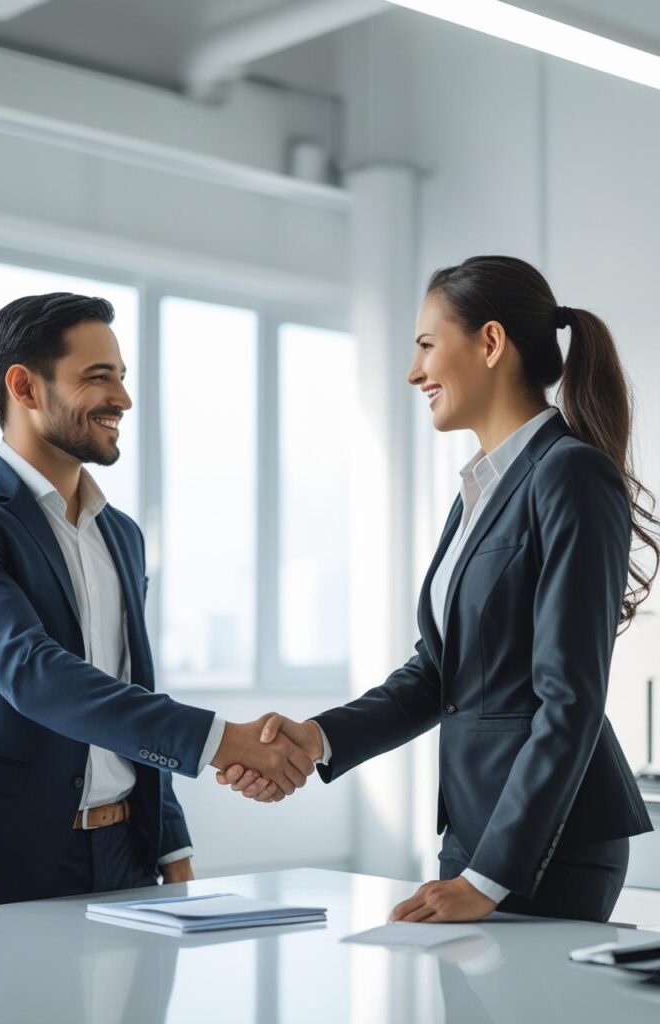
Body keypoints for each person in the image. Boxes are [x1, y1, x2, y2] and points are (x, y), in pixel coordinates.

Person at [218, 255, 659, 924]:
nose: (413, 371)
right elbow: (438, 672)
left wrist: (487, 880)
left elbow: (570, 699)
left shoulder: (569, 474)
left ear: (490, 343)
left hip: (547, 846)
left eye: (426, 345)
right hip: (475, 836)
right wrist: (315, 738)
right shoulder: (479, 492)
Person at [0, 293, 314, 911]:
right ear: (25, 386)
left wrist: (172, 847)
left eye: (121, 378)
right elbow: (34, 674)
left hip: (126, 855)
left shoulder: (120, 533)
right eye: (99, 378)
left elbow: (128, 690)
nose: (122, 398)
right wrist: (221, 740)